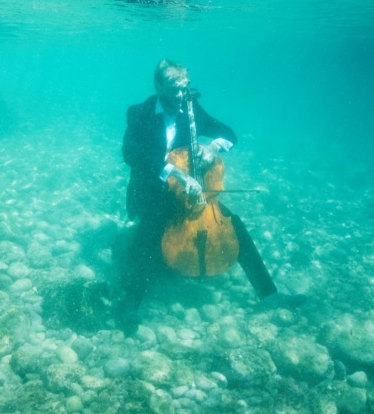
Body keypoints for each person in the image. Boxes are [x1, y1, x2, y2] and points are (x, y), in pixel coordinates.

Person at [117, 59, 286, 331]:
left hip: (191, 194)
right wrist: (174, 173)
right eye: (174, 88)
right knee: (147, 236)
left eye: (185, 88)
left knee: (235, 225)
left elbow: (228, 133)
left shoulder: (190, 108)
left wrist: (214, 148)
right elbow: (132, 155)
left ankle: (270, 295)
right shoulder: (139, 112)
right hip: (152, 190)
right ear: (158, 85)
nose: (180, 95)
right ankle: (131, 302)